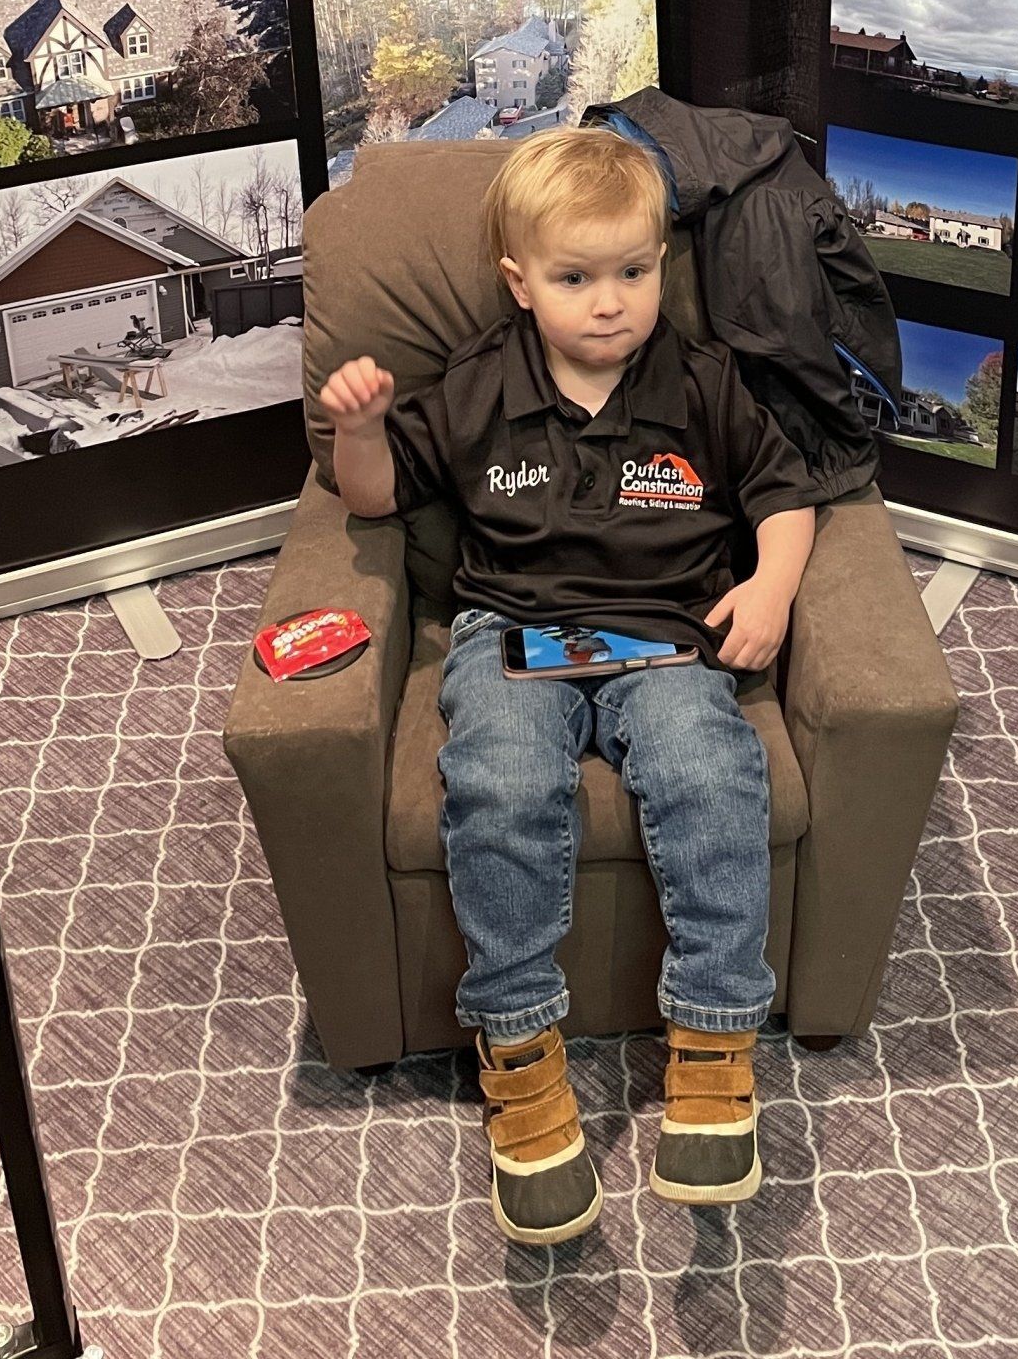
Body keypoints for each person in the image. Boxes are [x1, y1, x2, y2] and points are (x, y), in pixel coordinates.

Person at [318, 127, 817, 1245]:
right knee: (495, 784)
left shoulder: (702, 381)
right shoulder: (478, 385)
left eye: (634, 271)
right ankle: (520, 1052)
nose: (611, 303)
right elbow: (372, 495)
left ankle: (714, 1046)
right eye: (576, 278)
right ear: (519, 282)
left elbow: (786, 494)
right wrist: (356, 427)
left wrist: (772, 589)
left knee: (709, 771)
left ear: (661, 266)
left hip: (665, 630)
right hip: (515, 627)